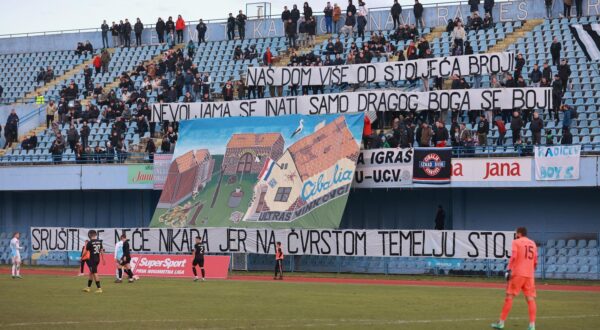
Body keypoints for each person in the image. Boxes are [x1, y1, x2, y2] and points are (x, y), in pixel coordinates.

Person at [491, 227, 537, 330]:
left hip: (518, 273)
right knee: (530, 299)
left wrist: (509, 269)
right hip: (529, 275)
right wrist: (530, 270)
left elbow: (514, 256)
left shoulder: (516, 242)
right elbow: (535, 261)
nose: (515, 234)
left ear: (519, 233)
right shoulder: (533, 243)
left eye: (516, 233)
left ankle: (501, 323)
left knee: (509, 296)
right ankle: (532, 325)